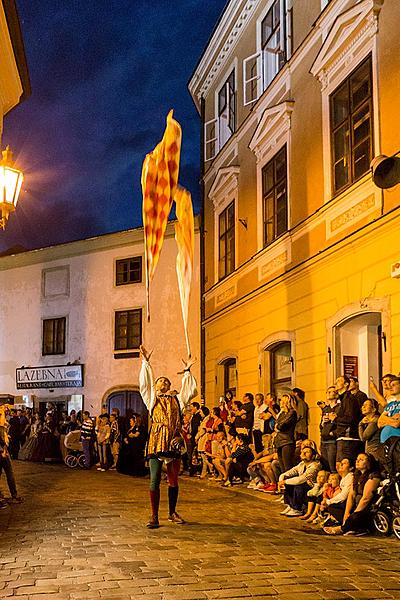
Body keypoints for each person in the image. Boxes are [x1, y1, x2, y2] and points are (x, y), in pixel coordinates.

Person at [139, 345, 197, 529]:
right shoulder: (152, 399)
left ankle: (172, 512)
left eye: (166, 381)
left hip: (173, 441)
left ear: (170, 386)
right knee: (154, 478)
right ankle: (154, 515)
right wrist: (146, 363)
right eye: (160, 381)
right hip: (157, 440)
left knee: (173, 479)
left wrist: (187, 371)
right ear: (156, 386)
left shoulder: (177, 400)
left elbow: (189, 391)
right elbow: (145, 385)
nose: (163, 383)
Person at [324, 453, 380, 536]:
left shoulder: (373, 476)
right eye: (357, 459)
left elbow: (366, 499)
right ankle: (351, 525)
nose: (357, 461)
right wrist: (347, 513)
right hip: (356, 505)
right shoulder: (356, 475)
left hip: (366, 508)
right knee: (333, 507)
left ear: (369, 463)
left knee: (355, 517)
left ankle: (342, 528)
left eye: (361, 459)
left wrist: (354, 514)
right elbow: (351, 495)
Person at [278, 446, 321, 517]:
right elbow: (291, 471)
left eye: (307, 452)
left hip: (312, 489)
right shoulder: (302, 464)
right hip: (304, 487)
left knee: (299, 485)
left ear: (313, 456)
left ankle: (297, 509)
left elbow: (301, 479)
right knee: (289, 483)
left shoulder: (315, 466)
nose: (303, 453)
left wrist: (284, 481)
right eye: (302, 452)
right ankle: (291, 505)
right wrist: (282, 478)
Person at [335, 375, 363, 463]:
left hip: (348, 438)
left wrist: (335, 418)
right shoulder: (343, 399)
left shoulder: (349, 398)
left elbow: (350, 419)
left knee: (344, 466)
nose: (336, 383)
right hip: (343, 437)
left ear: (346, 384)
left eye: (339, 381)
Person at [0, 405, 23, 504]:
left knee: (7, 473)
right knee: (9, 472)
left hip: (3, 450)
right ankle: (13, 495)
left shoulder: (3, 424)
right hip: (2, 451)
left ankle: (11, 495)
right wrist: (4, 444)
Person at [377, 376, 400, 475]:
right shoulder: (390, 405)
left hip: (397, 441)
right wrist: (391, 419)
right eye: (390, 385)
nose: (390, 387)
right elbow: (379, 423)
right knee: (389, 472)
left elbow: (397, 423)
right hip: (385, 442)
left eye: (394, 385)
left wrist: (385, 420)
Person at [274, 393, 297, 472]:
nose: (280, 403)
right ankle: (284, 483)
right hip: (279, 442)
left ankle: (289, 484)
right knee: (282, 467)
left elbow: (281, 426)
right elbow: (275, 425)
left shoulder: (292, 413)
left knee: (288, 467)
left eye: (282, 401)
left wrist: (278, 426)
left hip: (287, 441)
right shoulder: (282, 414)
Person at [319, 386, 340, 472]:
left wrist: (333, 433)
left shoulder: (339, 407)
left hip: (332, 440)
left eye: (332, 392)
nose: (329, 393)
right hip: (323, 439)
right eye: (328, 392)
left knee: (333, 467)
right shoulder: (326, 409)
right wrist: (322, 423)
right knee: (325, 466)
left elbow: (342, 423)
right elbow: (320, 426)